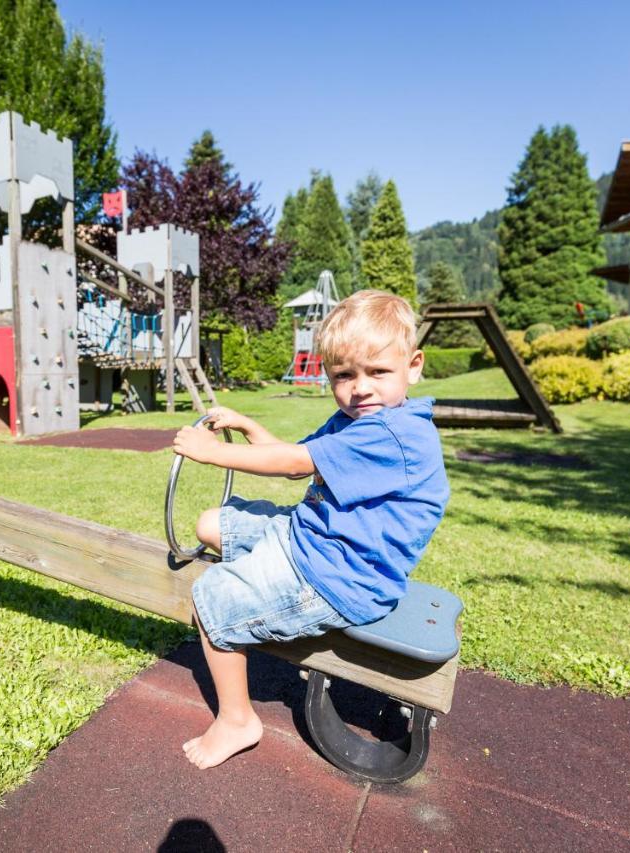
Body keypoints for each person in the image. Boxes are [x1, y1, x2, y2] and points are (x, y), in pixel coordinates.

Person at [171, 289, 449, 770]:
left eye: (377, 372)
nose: (360, 388)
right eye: (345, 375)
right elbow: (303, 464)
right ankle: (261, 588)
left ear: (414, 366)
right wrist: (246, 423)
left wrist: (210, 451)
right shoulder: (355, 420)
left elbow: (291, 463)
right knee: (210, 525)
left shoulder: (393, 434)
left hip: (338, 579)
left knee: (211, 595)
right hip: (311, 540)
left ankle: (237, 720)